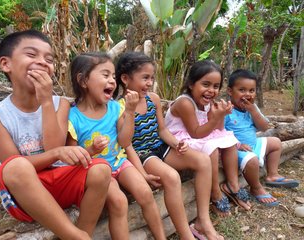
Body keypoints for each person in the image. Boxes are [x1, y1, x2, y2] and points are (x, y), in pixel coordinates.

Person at [0, 30, 112, 240]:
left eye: (49, 59)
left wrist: (45, 101)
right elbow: (12, 168)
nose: (43, 62)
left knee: (101, 170)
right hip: (24, 197)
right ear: (6, 64)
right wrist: (56, 155)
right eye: (32, 55)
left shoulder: (59, 104)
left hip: (59, 184)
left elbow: (54, 146)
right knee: (16, 166)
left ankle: (83, 233)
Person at [115, 52, 224, 240]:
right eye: (145, 78)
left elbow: (162, 130)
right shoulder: (119, 107)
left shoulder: (153, 99)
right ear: (125, 79)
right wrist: (141, 172)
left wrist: (176, 143)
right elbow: (127, 145)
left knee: (203, 160)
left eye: (151, 78)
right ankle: (185, 235)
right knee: (172, 178)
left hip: (160, 146)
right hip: (142, 154)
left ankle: (203, 221)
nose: (149, 83)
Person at [66, 52, 166, 239]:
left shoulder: (115, 108)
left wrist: (129, 112)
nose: (112, 81)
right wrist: (91, 150)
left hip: (120, 162)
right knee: (119, 202)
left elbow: (125, 142)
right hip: (97, 171)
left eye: (113, 76)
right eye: (105, 75)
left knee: (145, 193)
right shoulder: (73, 117)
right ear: (83, 80)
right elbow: (72, 159)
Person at [164, 60, 252, 217]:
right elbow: (195, 133)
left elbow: (218, 130)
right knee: (211, 148)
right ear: (191, 84)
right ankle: (215, 193)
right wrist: (215, 117)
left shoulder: (209, 102)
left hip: (199, 135)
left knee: (230, 142)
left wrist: (220, 115)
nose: (211, 90)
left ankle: (233, 185)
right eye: (206, 84)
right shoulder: (185, 102)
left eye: (216, 86)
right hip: (178, 141)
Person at [224, 69, 300, 206]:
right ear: (230, 91)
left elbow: (264, 127)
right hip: (236, 150)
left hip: (253, 145)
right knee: (252, 160)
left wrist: (253, 111)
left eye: (251, 90)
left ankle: (272, 174)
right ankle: (256, 187)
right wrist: (237, 144)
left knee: (275, 142)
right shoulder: (226, 110)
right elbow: (219, 133)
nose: (247, 94)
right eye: (242, 90)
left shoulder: (251, 108)